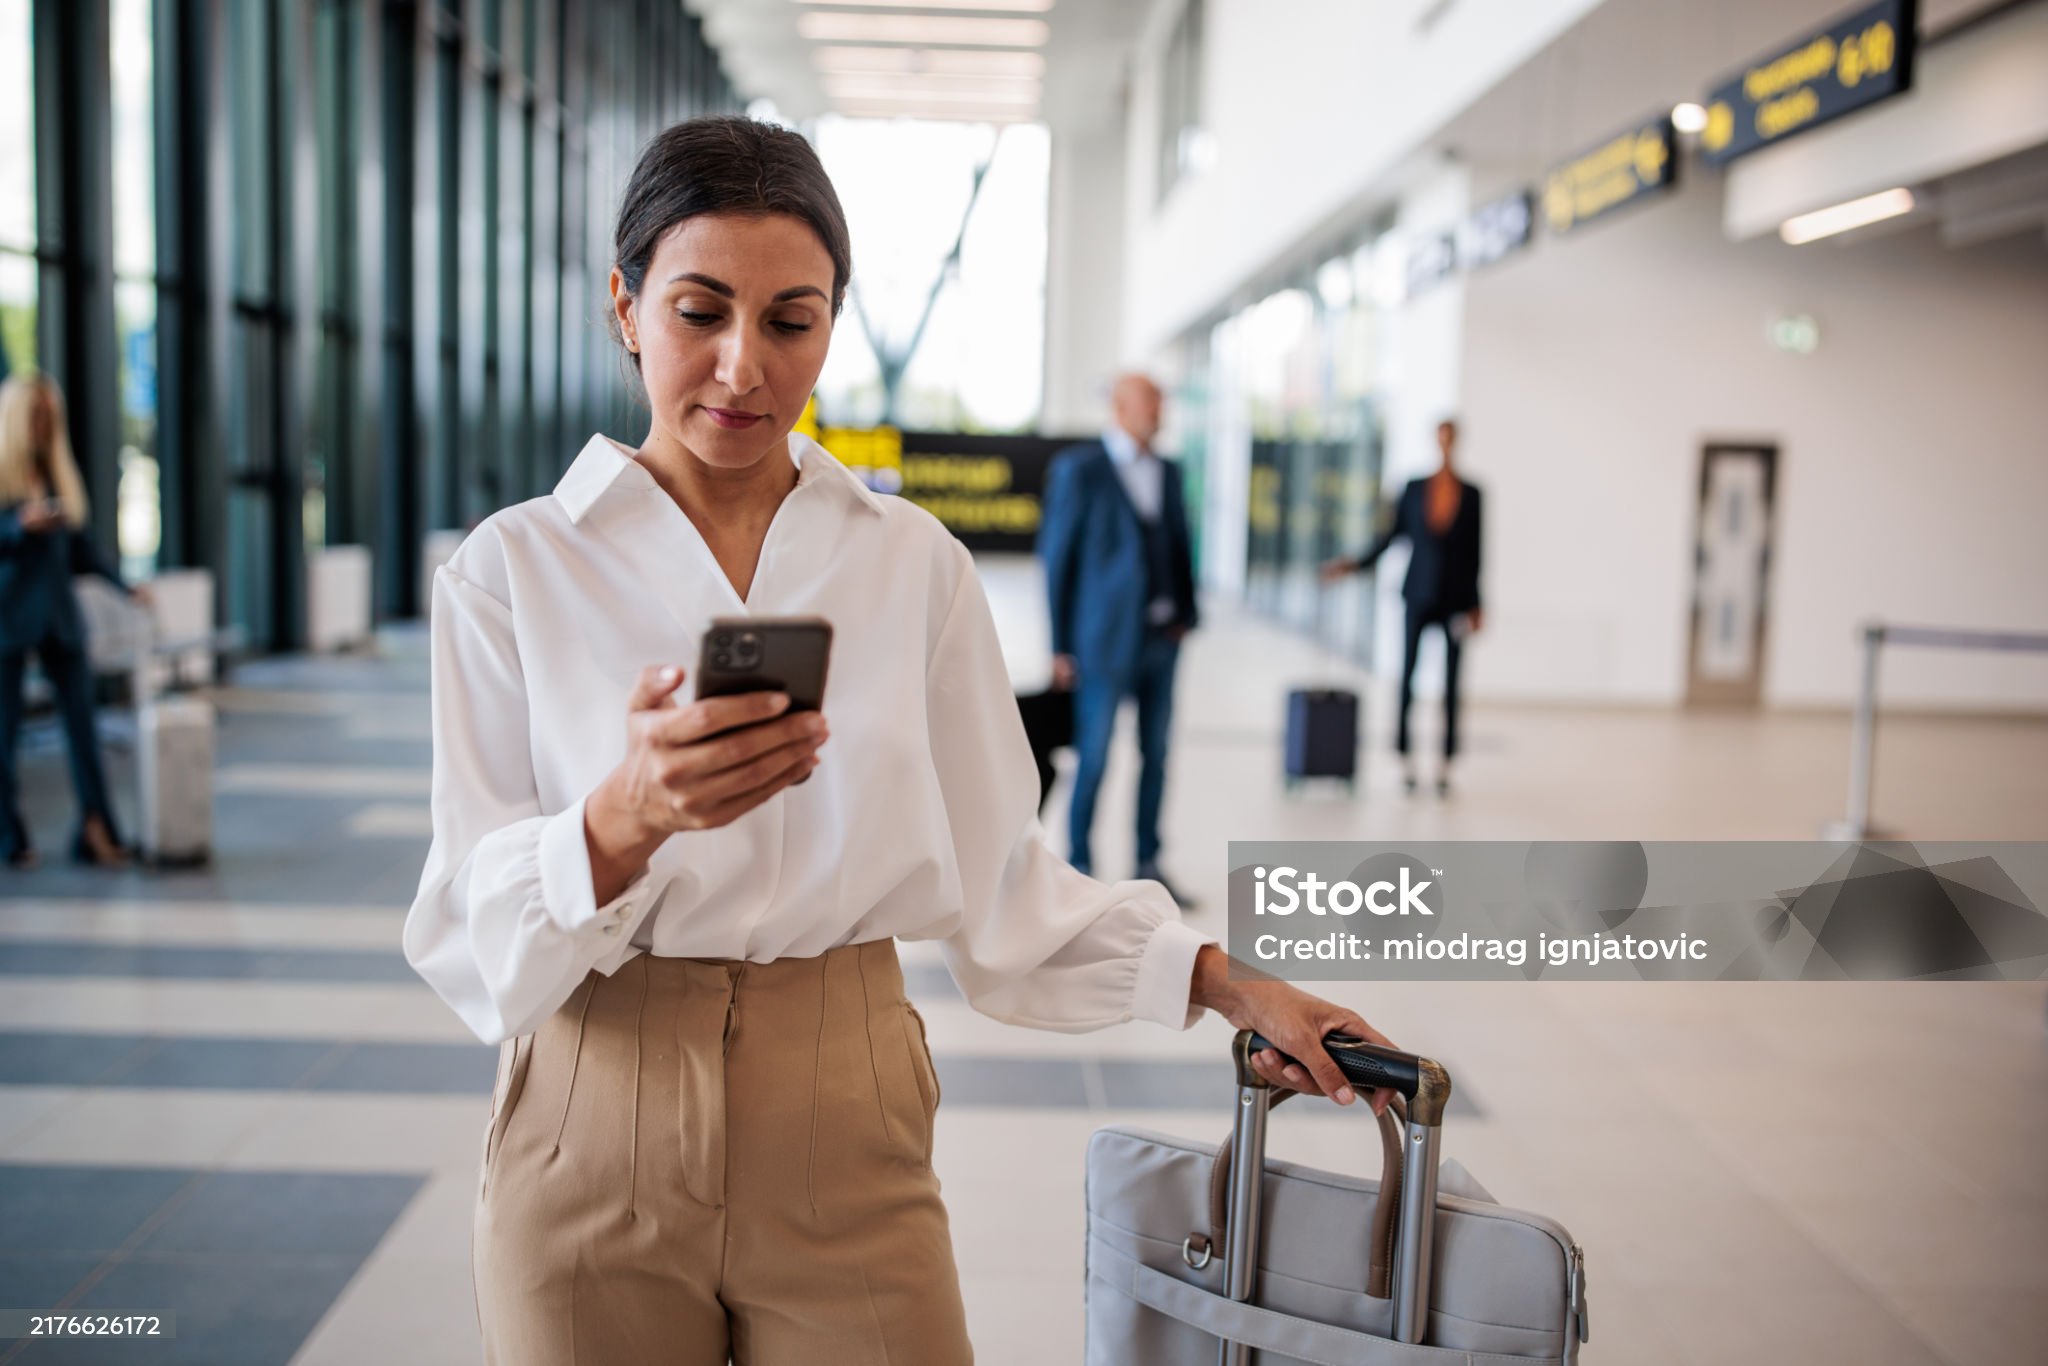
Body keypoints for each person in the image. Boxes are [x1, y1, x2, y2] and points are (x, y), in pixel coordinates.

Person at [402, 117, 1397, 1366]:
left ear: (832, 322)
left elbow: (1002, 882)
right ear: (625, 305)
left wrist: (1231, 984)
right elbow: (463, 931)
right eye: (698, 311)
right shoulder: (512, 572)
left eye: (788, 321)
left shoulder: (907, 563)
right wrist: (623, 819)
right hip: (590, 1114)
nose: (740, 367)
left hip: (845, 1111)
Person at [1037, 374, 1199, 904]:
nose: (1161, 410)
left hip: (1162, 639)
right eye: (1153, 400)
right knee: (1096, 753)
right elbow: (1057, 559)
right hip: (1101, 640)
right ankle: (1080, 864)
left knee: (1158, 752)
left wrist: (1185, 616)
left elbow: (1179, 546)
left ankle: (1149, 860)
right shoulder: (1079, 471)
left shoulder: (1168, 471)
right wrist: (1060, 644)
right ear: (1123, 406)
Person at [0, 374, 144, 868]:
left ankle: (95, 825)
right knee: (4, 735)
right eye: (36, 415)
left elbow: (83, 548)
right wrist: (18, 527)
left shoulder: (56, 473)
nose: (43, 425)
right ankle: (10, 837)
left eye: (49, 416)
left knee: (84, 728)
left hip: (60, 619)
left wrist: (125, 587)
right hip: (9, 619)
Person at [1321, 418, 1484, 798]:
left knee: (1452, 684)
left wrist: (1477, 605)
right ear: (1435, 441)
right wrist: (1353, 565)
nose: (1445, 446)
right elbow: (1390, 538)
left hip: (1455, 600)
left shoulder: (1473, 494)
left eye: (1451, 439)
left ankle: (1445, 761)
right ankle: (1405, 756)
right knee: (1407, 677)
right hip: (1418, 595)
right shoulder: (1414, 489)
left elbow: (1477, 554)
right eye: (1441, 439)